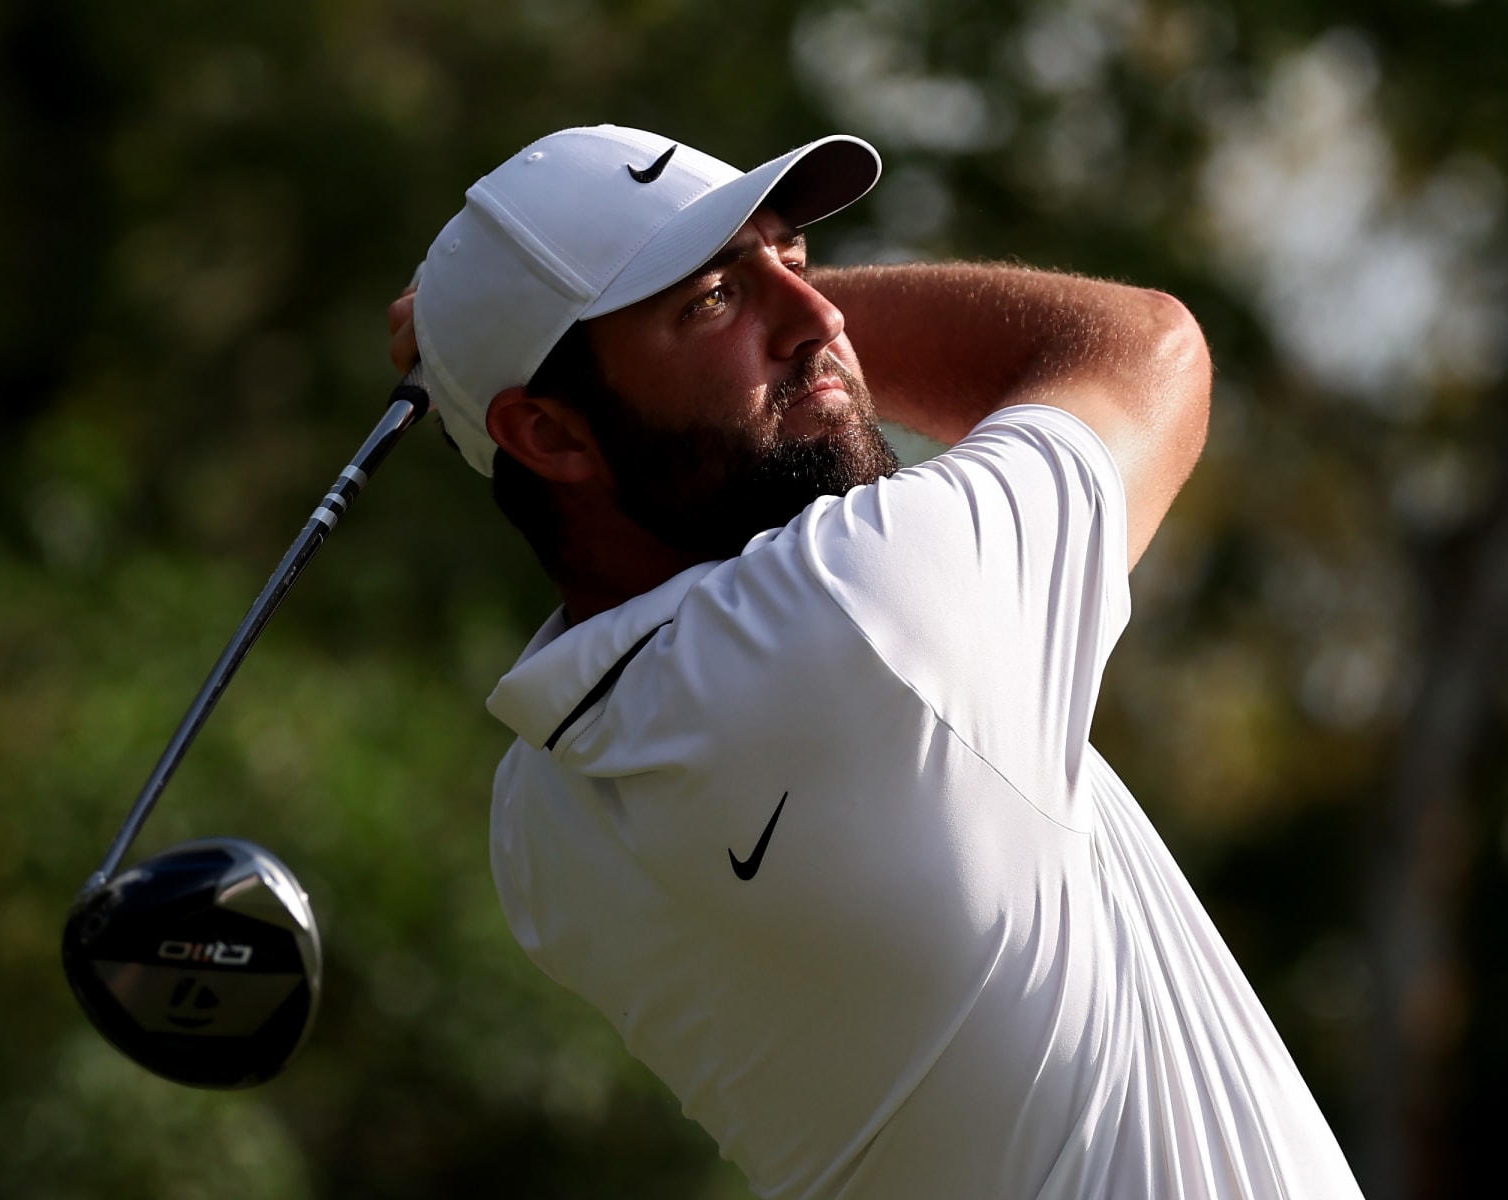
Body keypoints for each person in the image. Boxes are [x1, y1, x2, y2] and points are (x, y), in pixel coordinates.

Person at [386, 124, 1364, 1200]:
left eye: (795, 261)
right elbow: (1148, 346)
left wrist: (512, 351)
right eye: (711, 301)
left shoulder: (538, 832)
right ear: (554, 438)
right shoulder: (860, 612)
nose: (824, 317)